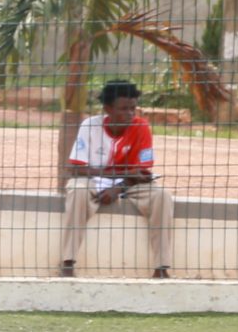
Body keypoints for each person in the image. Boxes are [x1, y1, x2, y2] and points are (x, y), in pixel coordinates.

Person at [59, 80, 173, 279]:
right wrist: (116, 175)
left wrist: (118, 187)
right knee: (77, 191)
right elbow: (76, 167)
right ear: (108, 109)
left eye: (133, 108)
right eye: (123, 109)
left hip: (129, 183)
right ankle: (68, 262)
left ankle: (161, 267)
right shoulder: (90, 125)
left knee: (162, 196)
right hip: (94, 179)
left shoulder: (141, 127)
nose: (130, 113)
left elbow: (143, 171)